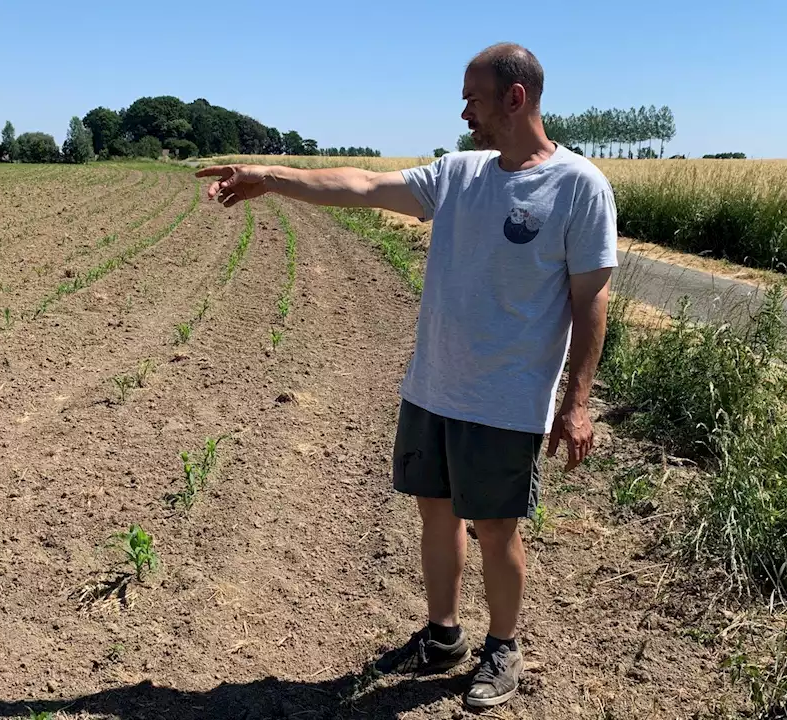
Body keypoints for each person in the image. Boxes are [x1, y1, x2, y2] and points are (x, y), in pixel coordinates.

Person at [196, 42, 616, 709]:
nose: (464, 110)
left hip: (507, 398)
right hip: (434, 385)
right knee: (435, 513)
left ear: (515, 97)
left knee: (497, 527)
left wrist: (578, 402)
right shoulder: (461, 174)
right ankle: (442, 634)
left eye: (472, 96)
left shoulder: (578, 187)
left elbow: (591, 296)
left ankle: (501, 648)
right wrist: (270, 176)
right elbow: (363, 187)